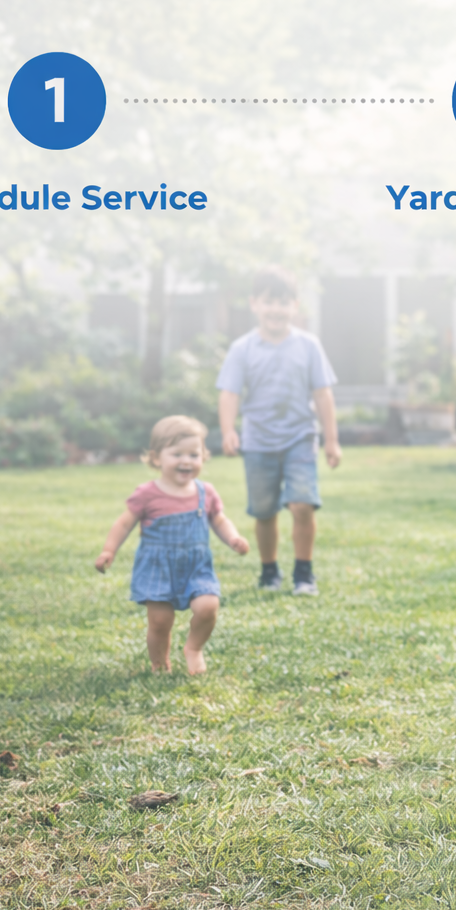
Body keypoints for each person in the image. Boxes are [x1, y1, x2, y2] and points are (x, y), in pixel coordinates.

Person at [216, 268, 342, 596]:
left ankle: (304, 573)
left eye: (283, 302)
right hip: (258, 441)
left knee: (302, 504)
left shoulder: (309, 345)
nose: (276, 309)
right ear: (254, 304)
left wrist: (331, 440)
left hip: (300, 437)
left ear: (295, 306)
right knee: (265, 511)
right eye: (269, 301)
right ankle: (269, 571)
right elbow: (230, 393)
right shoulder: (242, 348)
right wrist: (229, 430)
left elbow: (323, 394)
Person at [95, 416, 250, 674]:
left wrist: (233, 538)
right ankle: (159, 664)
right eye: (177, 453)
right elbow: (124, 524)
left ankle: (194, 648)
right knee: (159, 621)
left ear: (203, 457)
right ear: (156, 458)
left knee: (208, 606)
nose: (186, 460)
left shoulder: (205, 492)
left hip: (196, 565)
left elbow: (219, 520)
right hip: (158, 568)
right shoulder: (147, 493)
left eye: (194, 454)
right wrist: (109, 550)